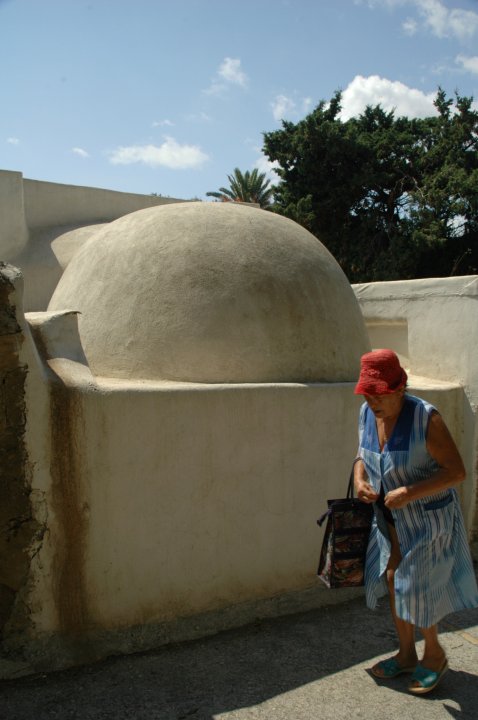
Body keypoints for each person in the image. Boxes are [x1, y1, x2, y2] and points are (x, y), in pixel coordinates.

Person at [353, 349, 478, 694]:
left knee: (415, 584)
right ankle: (406, 654)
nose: (370, 399)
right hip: (390, 518)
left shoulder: (426, 418)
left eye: (378, 393)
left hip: (428, 517)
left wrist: (409, 491)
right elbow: (362, 455)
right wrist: (359, 477)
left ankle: (434, 655)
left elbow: (456, 472)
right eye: (366, 391)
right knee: (394, 578)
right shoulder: (367, 413)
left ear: (399, 388)